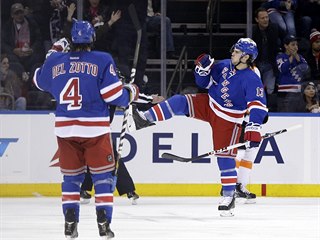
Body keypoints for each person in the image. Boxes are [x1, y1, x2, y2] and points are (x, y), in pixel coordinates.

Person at [130, 38, 268, 217]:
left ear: (246, 57)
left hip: (228, 119)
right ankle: (144, 119)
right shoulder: (225, 65)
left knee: (224, 156)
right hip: (209, 104)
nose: (232, 52)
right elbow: (204, 84)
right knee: (180, 101)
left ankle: (228, 196)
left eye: (237, 51)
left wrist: (253, 127)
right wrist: (202, 70)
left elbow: (258, 105)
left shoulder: (251, 79)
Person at [33, 20, 139, 239]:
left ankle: (70, 224)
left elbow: (39, 80)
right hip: (94, 131)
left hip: (65, 130)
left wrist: (54, 51)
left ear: (71, 40)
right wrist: (131, 92)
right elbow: (114, 96)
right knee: (102, 179)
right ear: (92, 39)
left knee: (71, 181)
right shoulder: (102, 60)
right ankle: (103, 224)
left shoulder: (55, 61)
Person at [252, 7, 280, 111]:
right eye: (262, 18)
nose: (265, 20)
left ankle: (269, 109)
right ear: (257, 19)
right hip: (256, 64)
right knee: (256, 89)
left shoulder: (274, 28)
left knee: (269, 89)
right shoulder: (252, 31)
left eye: (267, 17)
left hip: (270, 64)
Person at [276, 34, 309, 112]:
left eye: (296, 44)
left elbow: (306, 69)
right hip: (284, 93)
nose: (295, 47)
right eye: (293, 44)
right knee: (284, 118)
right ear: (286, 46)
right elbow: (283, 69)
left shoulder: (300, 57)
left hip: (298, 93)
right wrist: (292, 57)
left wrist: (296, 56)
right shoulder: (280, 57)